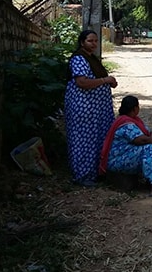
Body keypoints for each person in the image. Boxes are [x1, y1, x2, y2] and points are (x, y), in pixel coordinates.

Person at [64, 30, 118, 186]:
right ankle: (82, 176)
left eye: (96, 41)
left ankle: (96, 172)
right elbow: (82, 82)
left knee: (97, 139)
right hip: (84, 109)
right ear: (82, 42)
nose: (94, 44)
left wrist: (108, 82)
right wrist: (104, 80)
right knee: (83, 141)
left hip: (95, 111)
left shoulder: (91, 58)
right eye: (90, 41)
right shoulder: (79, 59)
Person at [99, 96, 152, 197]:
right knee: (149, 148)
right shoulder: (125, 123)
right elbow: (142, 140)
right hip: (118, 160)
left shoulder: (135, 120)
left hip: (128, 154)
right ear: (135, 108)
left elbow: (149, 134)